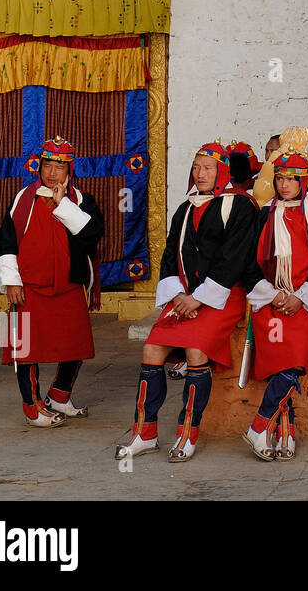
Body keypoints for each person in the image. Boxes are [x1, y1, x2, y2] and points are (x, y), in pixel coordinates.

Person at [115, 142, 259, 462]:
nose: (201, 173)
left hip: (222, 296)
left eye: (208, 168)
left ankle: (187, 432)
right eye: (196, 167)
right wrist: (178, 294)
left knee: (195, 351)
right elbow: (170, 257)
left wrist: (198, 297)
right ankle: (145, 432)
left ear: (222, 172)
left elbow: (233, 260)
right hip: (183, 297)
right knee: (151, 348)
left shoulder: (240, 206)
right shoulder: (185, 208)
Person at [0, 137, 105, 427]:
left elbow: (92, 235)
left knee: (74, 345)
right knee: (26, 349)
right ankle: (32, 407)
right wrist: (12, 282)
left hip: (68, 285)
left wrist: (61, 204)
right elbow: (4, 243)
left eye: (59, 167)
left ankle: (60, 396)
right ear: (39, 167)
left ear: (70, 170)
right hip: (28, 288)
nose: (52, 173)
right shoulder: (22, 199)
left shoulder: (80, 201)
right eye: (47, 166)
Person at [242, 151, 308, 460]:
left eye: (291, 179)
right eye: (280, 179)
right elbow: (248, 264)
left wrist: (300, 297)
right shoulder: (263, 216)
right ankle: (286, 430)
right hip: (271, 299)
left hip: (303, 302)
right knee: (279, 367)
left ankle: (259, 428)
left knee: (293, 364)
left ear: (303, 182)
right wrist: (274, 295)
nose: (285, 185)